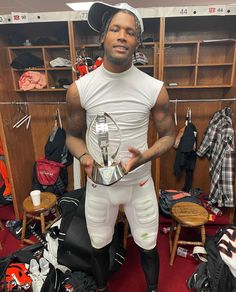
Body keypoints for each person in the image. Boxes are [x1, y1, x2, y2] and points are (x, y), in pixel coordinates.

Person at [66, 2, 175, 292]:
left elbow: (168, 136)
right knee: (98, 245)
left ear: (137, 41)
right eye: (115, 29)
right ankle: (102, 288)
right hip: (100, 186)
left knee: (149, 246)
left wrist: (145, 156)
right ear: (103, 37)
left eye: (130, 31)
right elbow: (72, 136)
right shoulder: (80, 89)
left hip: (138, 183)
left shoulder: (154, 88)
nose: (122, 36)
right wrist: (85, 157)